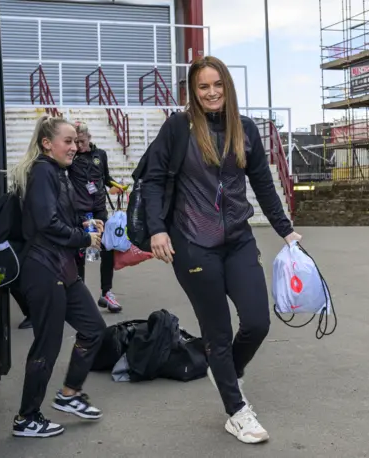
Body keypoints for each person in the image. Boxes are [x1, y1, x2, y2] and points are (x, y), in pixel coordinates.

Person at [142, 56, 302, 444]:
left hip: (239, 241)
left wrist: (286, 231)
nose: (211, 92)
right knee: (217, 331)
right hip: (194, 245)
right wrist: (157, 230)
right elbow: (153, 180)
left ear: (227, 87)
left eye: (217, 85)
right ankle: (236, 411)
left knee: (258, 322)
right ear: (193, 93)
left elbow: (263, 183)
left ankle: (225, 368)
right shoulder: (178, 128)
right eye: (203, 87)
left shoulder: (245, 129)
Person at [9, 115, 107, 438]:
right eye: (68, 141)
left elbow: (57, 219)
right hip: (43, 270)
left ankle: (69, 394)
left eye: (76, 141)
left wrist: (84, 227)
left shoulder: (58, 173)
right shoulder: (41, 172)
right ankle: (27, 418)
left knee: (94, 328)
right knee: (47, 347)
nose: (75, 147)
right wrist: (84, 238)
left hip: (63, 269)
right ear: (47, 144)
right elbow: (47, 224)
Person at [68, 121, 124, 313]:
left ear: (89, 138)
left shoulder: (101, 155)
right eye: (75, 142)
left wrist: (117, 187)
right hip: (82, 213)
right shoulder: (71, 158)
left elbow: (106, 178)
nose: (78, 146)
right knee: (81, 253)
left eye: (81, 141)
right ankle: (79, 297)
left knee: (108, 249)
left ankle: (106, 293)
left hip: (100, 211)